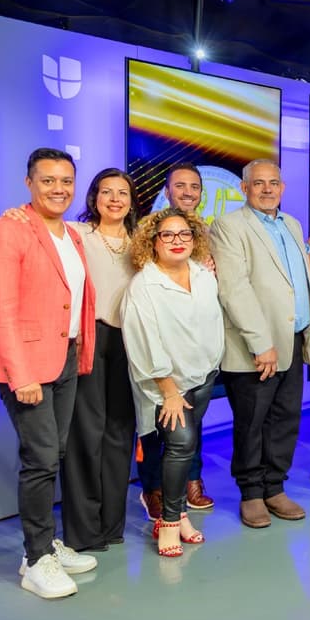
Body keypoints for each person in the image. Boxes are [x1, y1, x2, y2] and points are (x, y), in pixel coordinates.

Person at [0, 147, 98, 599]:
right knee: (42, 458)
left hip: (64, 356)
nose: (58, 189)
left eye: (66, 181)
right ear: (29, 183)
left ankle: (46, 544)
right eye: (48, 180)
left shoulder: (72, 235)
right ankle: (35, 559)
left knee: (54, 453)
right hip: (26, 366)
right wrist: (20, 375)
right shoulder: (8, 231)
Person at [0, 168, 138, 551]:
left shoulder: (142, 240)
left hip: (131, 343)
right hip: (87, 339)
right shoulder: (75, 235)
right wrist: (16, 212)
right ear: (92, 198)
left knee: (119, 436)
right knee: (84, 437)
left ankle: (112, 526)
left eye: (122, 192)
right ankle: (83, 533)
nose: (115, 199)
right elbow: (36, 228)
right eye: (106, 191)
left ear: (131, 200)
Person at [211, 159, 310, 529]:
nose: (267, 189)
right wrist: (261, 343)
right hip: (258, 347)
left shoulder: (291, 224)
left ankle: (275, 487)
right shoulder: (229, 226)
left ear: (283, 187)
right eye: (259, 183)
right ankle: (251, 494)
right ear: (244, 188)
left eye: (274, 182)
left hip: (291, 340)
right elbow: (234, 288)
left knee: (286, 419)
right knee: (252, 423)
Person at [122, 208, 224, 557]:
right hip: (166, 386)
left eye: (185, 234)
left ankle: (180, 515)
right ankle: (167, 522)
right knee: (179, 447)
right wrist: (169, 391)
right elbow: (144, 343)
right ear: (153, 241)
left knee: (188, 447)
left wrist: (212, 366)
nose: (177, 241)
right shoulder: (143, 286)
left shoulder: (203, 275)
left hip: (203, 377)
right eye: (168, 234)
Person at [137, 163, 215, 520]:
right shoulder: (149, 232)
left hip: (198, 356)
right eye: (180, 186)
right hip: (160, 358)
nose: (188, 192)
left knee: (191, 426)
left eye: (194, 187)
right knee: (160, 429)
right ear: (166, 191)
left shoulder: (204, 235)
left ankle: (190, 481)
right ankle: (154, 490)